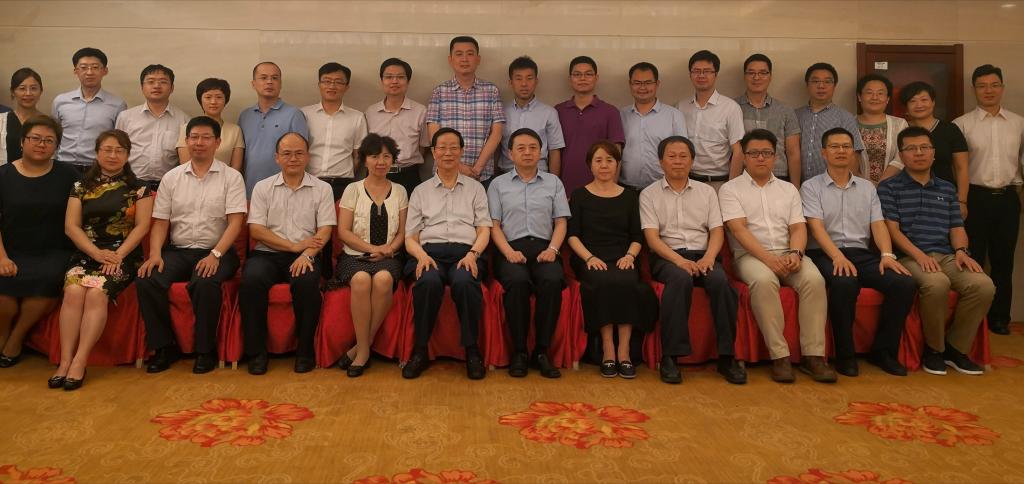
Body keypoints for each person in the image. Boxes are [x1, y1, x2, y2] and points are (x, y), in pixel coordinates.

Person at [719, 129, 836, 383]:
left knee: (814, 280)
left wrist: (796, 253)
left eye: (767, 153)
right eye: (754, 153)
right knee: (764, 281)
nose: (761, 158)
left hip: (787, 251)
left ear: (776, 156)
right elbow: (738, 230)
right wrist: (769, 259)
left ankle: (813, 356)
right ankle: (780, 356)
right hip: (750, 256)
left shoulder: (789, 189)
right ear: (744, 157)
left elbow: (798, 228)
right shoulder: (730, 189)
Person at [878, 126, 994, 375]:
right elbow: (893, 231)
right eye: (911, 149)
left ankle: (956, 348)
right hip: (909, 257)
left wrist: (961, 250)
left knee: (983, 285)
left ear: (933, 153)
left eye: (924, 147)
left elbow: (956, 227)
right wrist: (919, 255)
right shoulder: (888, 188)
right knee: (937, 283)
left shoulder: (947, 188)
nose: (919, 153)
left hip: (947, 255)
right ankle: (934, 350)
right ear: (901, 155)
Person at [801, 127, 916, 377]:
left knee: (903, 284)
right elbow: (816, 228)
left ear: (853, 152)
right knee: (845, 282)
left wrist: (887, 255)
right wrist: (837, 257)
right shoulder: (811, 187)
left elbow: (878, 224)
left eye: (846, 146)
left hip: (861, 253)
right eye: (834, 146)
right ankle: (845, 355)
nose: (841, 151)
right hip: (825, 253)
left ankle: (883, 352)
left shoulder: (867, 188)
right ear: (823, 153)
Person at [136, 116, 246, 374]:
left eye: (206, 137)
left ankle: (205, 350)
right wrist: (154, 254)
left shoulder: (231, 177)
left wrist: (215, 254)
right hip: (178, 250)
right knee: (148, 278)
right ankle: (165, 348)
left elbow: (235, 223)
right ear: (186, 141)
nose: (199, 142)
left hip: (218, 251)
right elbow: (160, 223)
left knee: (204, 281)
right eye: (194, 137)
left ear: (217, 142)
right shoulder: (171, 177)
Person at [53, 129, 153, 390]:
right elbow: (71, 227)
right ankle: (65, 360)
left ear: (127, 155)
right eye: (107, 149)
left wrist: (118, 255)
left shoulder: (140, 188)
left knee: (97, 293)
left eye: (120, 150)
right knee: (73, 291)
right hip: (87, 253)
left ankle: (80, 361)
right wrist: (95, 253)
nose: (113, 155)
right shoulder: (80, 187)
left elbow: (142, 226)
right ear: (97, 153)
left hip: (123, 255)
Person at [640, 135, 744, 385]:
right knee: (680, 280)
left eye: (683, 156)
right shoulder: (648, 194)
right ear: (661, 162)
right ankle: (671, 356)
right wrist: (679, 261)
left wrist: (709, 257)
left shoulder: (707, 192)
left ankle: (727, 357)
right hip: (667, 257)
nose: (678, 161)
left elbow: (716, 231)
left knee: (721, 283)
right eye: (671, 156)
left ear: (692, 161)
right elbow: (652, 239)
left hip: (703, 255)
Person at [241, 132, 334, 375]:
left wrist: (306, 254)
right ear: (277, 158)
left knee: (306, 282)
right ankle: (256, 353)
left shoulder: (322, 188)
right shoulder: (262, 187)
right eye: (287, 153)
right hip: (267, 254)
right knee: (251, 280)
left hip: (306, 254)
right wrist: (293, 247)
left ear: (308, 156)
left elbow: (325, 230)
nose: (293, 158)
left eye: (299, 153)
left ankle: (305, 352)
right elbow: (256, 230)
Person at [402, 127, 491, 380]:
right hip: (429, 253)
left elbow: (484, 229)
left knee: (465, 282)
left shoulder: (475, 189)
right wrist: (421, 256)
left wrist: (473, 254)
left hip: (466, 252)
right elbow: (410, 237)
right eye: (442, 147)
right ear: (433, 152)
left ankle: (472, 351)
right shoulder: (420, 191)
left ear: (462, 151)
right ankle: (420, 350)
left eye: (454, 147)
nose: (448, 153)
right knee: (428, 281)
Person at [567, 140, 655, 379]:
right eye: (598, 160)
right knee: (603, 280)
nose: (604, 165)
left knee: (627, 280)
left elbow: (637, 236)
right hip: (589, 256)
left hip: (623, 256)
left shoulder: (630, 196)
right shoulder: (579, 195)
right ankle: (608, 348)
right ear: (590, 165)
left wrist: (630, 256)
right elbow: (572, 236)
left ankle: (624, 351)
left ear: (617, 164)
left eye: (609, 160)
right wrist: (589, 257)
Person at [488, 128, 569, 379]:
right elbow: (494, 225)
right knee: (517, 281)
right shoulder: (498, 184)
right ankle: (520, 351)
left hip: (545, 248)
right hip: (510, 248)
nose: (527, 152)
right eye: (521, 148)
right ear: (510, 153)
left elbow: (561, 222)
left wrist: (553, 250)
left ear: (541, 152)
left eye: (533, 147)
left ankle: (542, 351)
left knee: (552, 280)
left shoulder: (553, 182)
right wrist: (508, 252)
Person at [0, 116, 79, 368]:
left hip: (54, 250)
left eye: (49, 140)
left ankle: (16, 338)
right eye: (35, 138)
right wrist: (1, 257)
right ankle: (3, 332)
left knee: (49, 279)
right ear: (22, 141)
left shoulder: (68, 175)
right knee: (4, 295)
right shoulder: (3, 174)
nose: (41, 144)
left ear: (56, 146)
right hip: (10, 250)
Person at [953, 65, 1024, 336]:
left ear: (1002, 88)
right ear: (974, 90)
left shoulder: (1018, 123)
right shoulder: (962, 124)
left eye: (994, 85)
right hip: (974, 198)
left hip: (1008, 198)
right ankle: (974, 319)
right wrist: (961, 201)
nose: (988, 91)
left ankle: (999, 318)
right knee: (973, 259)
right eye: (982, 86)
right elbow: (957, 168)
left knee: (1003, 261)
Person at [330, 134, 408, 378]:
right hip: (354, 256)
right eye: (375, 156)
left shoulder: (400, 191)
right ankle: (364, 349)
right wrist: (372, 249)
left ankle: (360, 348)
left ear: (393, 160)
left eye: (386, 156)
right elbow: (343, 232)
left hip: (389, 256)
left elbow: (403, 232)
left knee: (384, 279)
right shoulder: (352, 189)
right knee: (362, 280)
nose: (381, 162)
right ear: (365, 160)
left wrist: (389, 249)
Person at [882, 82, 969, 219]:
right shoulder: (901, 129)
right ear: (906, 106)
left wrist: (962, 201)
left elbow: (961, 167)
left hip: (943, 196)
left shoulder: (950, 129)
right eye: (913, 101)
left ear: (933, 102)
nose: (919, 105)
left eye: (924, 99)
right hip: (906, 197)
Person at [426, 36, 505, 186]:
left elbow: (497, 133)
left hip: (481, 175)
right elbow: (434, 136)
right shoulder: (439, 92)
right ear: (450, 60)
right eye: (459, 54)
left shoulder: (491, 91)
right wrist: (459, 167)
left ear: (478, 59)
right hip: (446, 174)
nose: (464, 59)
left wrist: (476, 169)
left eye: (470, 53)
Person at [556, 56, 625, 195]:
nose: (583, 78)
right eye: (577, 74)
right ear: (570, 79)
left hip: (601, 189)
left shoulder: (610, 112)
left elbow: (616, 153)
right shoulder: (558, 111)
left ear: (596, 78)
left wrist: (611, 189)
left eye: (588, 74)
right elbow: (554, 152)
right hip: (565, 189)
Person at [52, 47, 127, 173]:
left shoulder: (117, 105)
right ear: (75, 71)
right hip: (63, 166)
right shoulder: (60, 101)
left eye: (95, 67)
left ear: (105, 71)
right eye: (83, 67)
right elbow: (53, 135)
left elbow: (119, 142)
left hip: (97, 169)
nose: (89, 72)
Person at [239, 61, 309, 196]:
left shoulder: (294, 114)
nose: (269, 82)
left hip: (285, 191)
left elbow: (301, 156)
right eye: (263, 78)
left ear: (280, 84)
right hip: (250, 190)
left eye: (275, 78)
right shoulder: (245, 116)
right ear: (253, 84)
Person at [301, 62, 368, 200]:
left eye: (338, 82)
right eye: (327, 81)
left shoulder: (357, 117)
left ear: (347, 87)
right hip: (309, 183)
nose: (332, 86)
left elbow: (358, 155)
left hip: (342, 186)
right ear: (319, 84)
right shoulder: (304, 114)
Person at [678, 50, 745, 187]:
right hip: (687, 181)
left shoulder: (730, 107)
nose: (701, 75)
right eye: (696, 71)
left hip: (719, 182)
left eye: (707, 71)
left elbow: (738, 151)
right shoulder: (681, 107)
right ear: (690, 75)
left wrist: (731, 186)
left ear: (716, 74)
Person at [365, 58, 429, 196]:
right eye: (389, 77)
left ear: (408, 81)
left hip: (408, 176)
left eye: (400, 77)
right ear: (382, 80)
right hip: (375, 175)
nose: (394, 81)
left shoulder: (420, 111)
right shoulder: (370, 112)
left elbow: (423, 147)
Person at [115, 64, 185, 189]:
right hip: (130, 184)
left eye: (163, 82)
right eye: (151, 82)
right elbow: (117, 151)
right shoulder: (125, 117)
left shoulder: (184, 120)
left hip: (167, 186)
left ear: (172, 88)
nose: (156, 86)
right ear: (142, 87)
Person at [735, 54, 802, 184]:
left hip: (779, 178)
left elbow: (793, 153)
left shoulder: (785, 110)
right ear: (744, 76)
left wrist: (795, 188)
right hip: (743, 179)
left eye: (763, 73)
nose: (756, 77)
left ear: (770, 76)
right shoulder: (733, 108)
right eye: (751, 73)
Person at [619, 62, 686, 192]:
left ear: (657, 84)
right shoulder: (621, 115)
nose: (642, 87)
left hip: (662, 189)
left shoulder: (674, 115)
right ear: (630, 84)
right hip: (626, 188)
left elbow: (683, 153)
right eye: (637, 83)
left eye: (648, 82)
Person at [796, 62, 864, 182]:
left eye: (827, 82)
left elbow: (853, 156)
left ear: (835, 85)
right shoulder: (795, 115)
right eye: (815, 81)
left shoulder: (845, 117)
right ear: (807, 84)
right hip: (797, 185)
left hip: (832, 186)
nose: (821, 86)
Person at [499, 56, 565, 177]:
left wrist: (554, 182)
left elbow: (554, 150)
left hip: (540, 176)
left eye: (529, 78)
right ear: (510, 83)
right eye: (518, 79)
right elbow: (496, 148)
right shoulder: (501, 112)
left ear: (536, 81)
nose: (524, 84)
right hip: (506, 177)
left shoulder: (549, 113)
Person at [175, 78, 245, 171]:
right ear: (200, 100)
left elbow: (236, 168)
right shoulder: (186, 128)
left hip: (226, 179)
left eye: (219, 97)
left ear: (226, 100)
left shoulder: (235, 130)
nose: (213, 102)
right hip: (192, 179)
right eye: (208, 97)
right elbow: (185, 166)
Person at [855, 74, 907, 184]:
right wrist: (867, 185)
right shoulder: (848, 123)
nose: (875, 97)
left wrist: (881, 184)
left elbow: (902, 157)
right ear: (859, 97)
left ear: (887, 99)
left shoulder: (900, 124)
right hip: (857, 186)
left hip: (893, 187)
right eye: (869, 93)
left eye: (880, 93)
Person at [3, 68, 44, 164]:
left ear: (41, 91)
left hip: (39, 172)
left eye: (33, 88)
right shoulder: (1, 121)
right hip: (5, 172)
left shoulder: (48, 123)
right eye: (22, 88)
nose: (28, 93)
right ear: (12, 92)